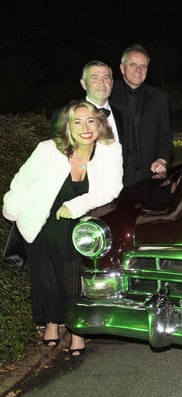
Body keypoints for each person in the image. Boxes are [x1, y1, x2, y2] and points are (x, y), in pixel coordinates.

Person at [3, 100, 123, 356]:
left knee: (72, 279)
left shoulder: (109, 150)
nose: (85, 127)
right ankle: (51, 322)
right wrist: (11, 209)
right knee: (45, 275)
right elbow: (23, 182)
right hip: (42, 221)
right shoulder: (48, 150)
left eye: (91, 120)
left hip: (77, 227)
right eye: (77, 121)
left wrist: (75, 206)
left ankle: (77, 329)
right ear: (68, 127)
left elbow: (111, 189)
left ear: (100, 124)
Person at [110, 43, 173, 187]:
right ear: (122, 68)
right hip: (115, 174)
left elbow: (164, 134)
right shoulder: (109, 94)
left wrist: (162, 159)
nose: (138, 70)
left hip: (148, 173)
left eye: (143, 66)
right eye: (133, 65)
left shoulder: (159, 98)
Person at [50, 61, 124, 142]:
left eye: (106, 78)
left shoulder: (123, 114)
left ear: (112, 83)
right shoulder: (64, 115)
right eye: (95, 78)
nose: (101, 83)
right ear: (83, 84)